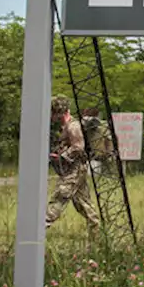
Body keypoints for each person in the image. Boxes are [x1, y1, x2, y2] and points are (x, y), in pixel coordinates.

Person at [45, 95, 100, 234]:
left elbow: (78, 147)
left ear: (59, 112)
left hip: (74, 170)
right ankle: (98, 236)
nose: (51, 116)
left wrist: (61, 157)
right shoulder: (66, 127)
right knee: (83, 204)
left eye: (52, 112)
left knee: (59, 198)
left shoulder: (73, 126)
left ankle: (35, 231)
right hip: (75, 169)